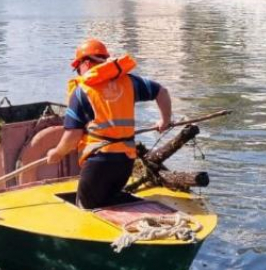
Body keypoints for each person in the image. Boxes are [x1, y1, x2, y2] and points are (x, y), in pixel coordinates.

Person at [45, 38, 173, 209]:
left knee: (86, 209)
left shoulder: (82, 91)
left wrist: (57, 153)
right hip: (126, 161)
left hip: (99, 162)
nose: (78, 73)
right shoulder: (129, 82)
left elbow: (73, 136)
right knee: (111, 203)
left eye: (78, 68)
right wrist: (165, 120)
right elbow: (161, 92)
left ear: (87, 63)